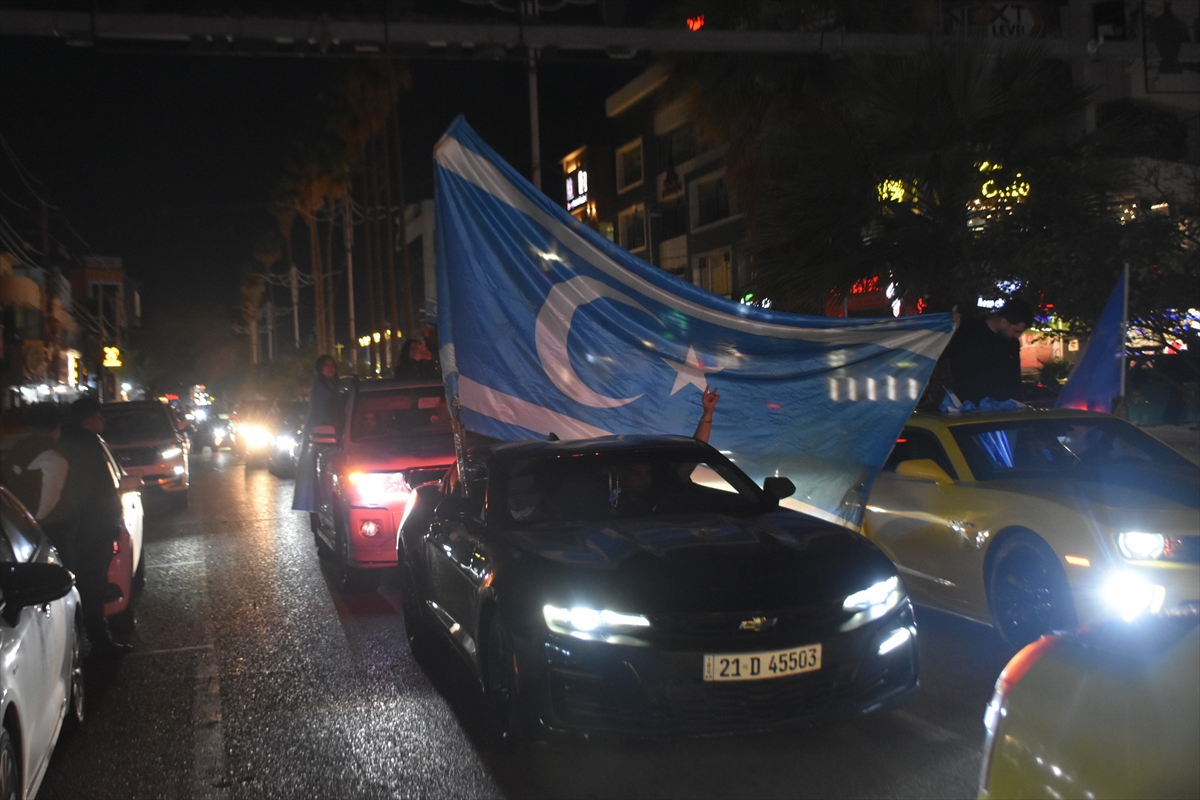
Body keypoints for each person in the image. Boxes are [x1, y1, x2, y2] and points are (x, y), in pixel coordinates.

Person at [56, 397, 132, 657]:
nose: (103, 421)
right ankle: (99, 641)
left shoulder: (61, 442)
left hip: (66, 528)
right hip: (91, 528)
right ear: (89, 418)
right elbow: (100, 489)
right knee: (92, 586)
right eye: (100, 416)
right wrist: (110, 522)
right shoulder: (88, 444)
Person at [940, 298, 1034, 405]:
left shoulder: (1011, 343)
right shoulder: (967, 332)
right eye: (1016, 331)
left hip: (1003, 409)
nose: (1017, 336)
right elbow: (940, 355)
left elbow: (1014, 379)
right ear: (1003, 322)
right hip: (968, 407)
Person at [1, 402, 69, 523]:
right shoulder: (53, 458)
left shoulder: (16, 448)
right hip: (30, 530)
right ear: (58, 427)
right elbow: (41, 512)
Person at [292, 354, 341, 512]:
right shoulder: (320, 389)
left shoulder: (337, 386)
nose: (330, 368)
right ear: (320, 369)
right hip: (324, 441)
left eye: (332, 365)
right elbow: (320, 415)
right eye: (326, 365)